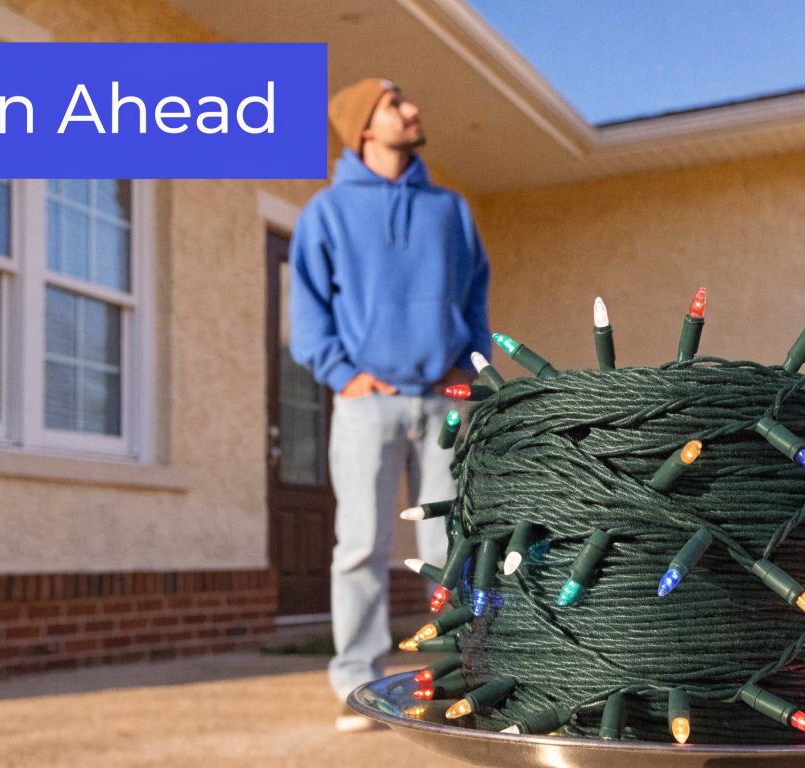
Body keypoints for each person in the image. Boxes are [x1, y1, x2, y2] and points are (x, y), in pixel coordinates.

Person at [288, 78, 491, 732]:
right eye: (395, 103)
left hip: (443, 402)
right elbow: (308, 310)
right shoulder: (326, 211)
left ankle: (454, 674)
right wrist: (342, 374)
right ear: (364, 129)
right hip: (367, 405)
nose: (413, 108)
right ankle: (356, 680)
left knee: (450, 545)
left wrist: (473, 365)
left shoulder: (450, 208)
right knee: (361, 546)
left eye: (409, 98)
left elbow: (476, 296)